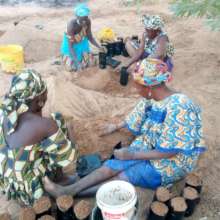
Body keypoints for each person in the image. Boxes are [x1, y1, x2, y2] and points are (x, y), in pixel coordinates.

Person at [43, 58, 206, 198]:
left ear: (148, 87)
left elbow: (172, 151)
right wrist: (113, 127)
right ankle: (70, 190)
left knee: (124, 176)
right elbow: (135, 118)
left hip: (172, 161)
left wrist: (133, 154)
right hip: (149, 146)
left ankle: (77, 194)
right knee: (114, 164)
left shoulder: (181, 107)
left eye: (137, 86)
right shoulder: (151, 98)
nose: (135, 89)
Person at [0, 69, 76, 205]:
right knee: (59, 121)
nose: (46, 94)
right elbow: (68, 158)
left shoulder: (5, 110)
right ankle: (58, 178)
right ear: (39, 101)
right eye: (44, 92)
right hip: (32, 192)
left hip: (10, 183)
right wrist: (70, 131)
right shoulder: (45, 125)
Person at [61, 3, 103, 72]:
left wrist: (99, 47)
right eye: (82, 19)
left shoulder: (88, 21)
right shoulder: (71, 25)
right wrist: (77, 64)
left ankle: (82, 59)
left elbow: (90, 37)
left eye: (86, 18)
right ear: (77, 16)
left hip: (82, 44)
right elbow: (70, 47)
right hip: (71, 47)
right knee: (73, 67)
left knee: (92, 62)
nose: (84, 21)